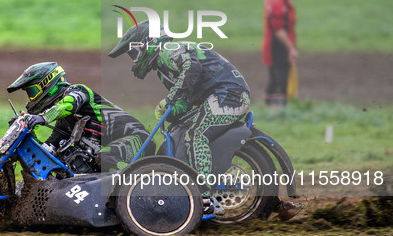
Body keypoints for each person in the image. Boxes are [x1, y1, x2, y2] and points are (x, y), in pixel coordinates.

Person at [109, 21, 301, 221]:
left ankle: (205, 199)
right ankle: (273, 203)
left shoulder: (169, 50)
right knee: (178, 130)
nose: (134, 59)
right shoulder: (162, 69)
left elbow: (192, 67)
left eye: (134, 53)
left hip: (229, 95)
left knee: (195, 135)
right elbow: (187, 97)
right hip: (218, 96)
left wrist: (171, 98)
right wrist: (173, 108)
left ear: (147, 43)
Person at [6, 62, 154, 172]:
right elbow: (46, 154)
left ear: (48, 83)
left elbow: (68, 105)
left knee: (106, 158)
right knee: (64, 167)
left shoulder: (78, 91)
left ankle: (136, 192)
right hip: (115, 149)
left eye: (32, 92)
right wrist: (29, 138)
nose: (31, 98)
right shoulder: (64, 123)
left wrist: (43, 118)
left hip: (139, 139)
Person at [262, 0, 301, 106]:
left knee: (277, 80)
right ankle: (277, 111)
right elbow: (278, 29)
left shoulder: (284, 1)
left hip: (281, 46)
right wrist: (291, 49)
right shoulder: (276, 1)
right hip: (276, 46)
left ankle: (272, 110)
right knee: (279, 81)